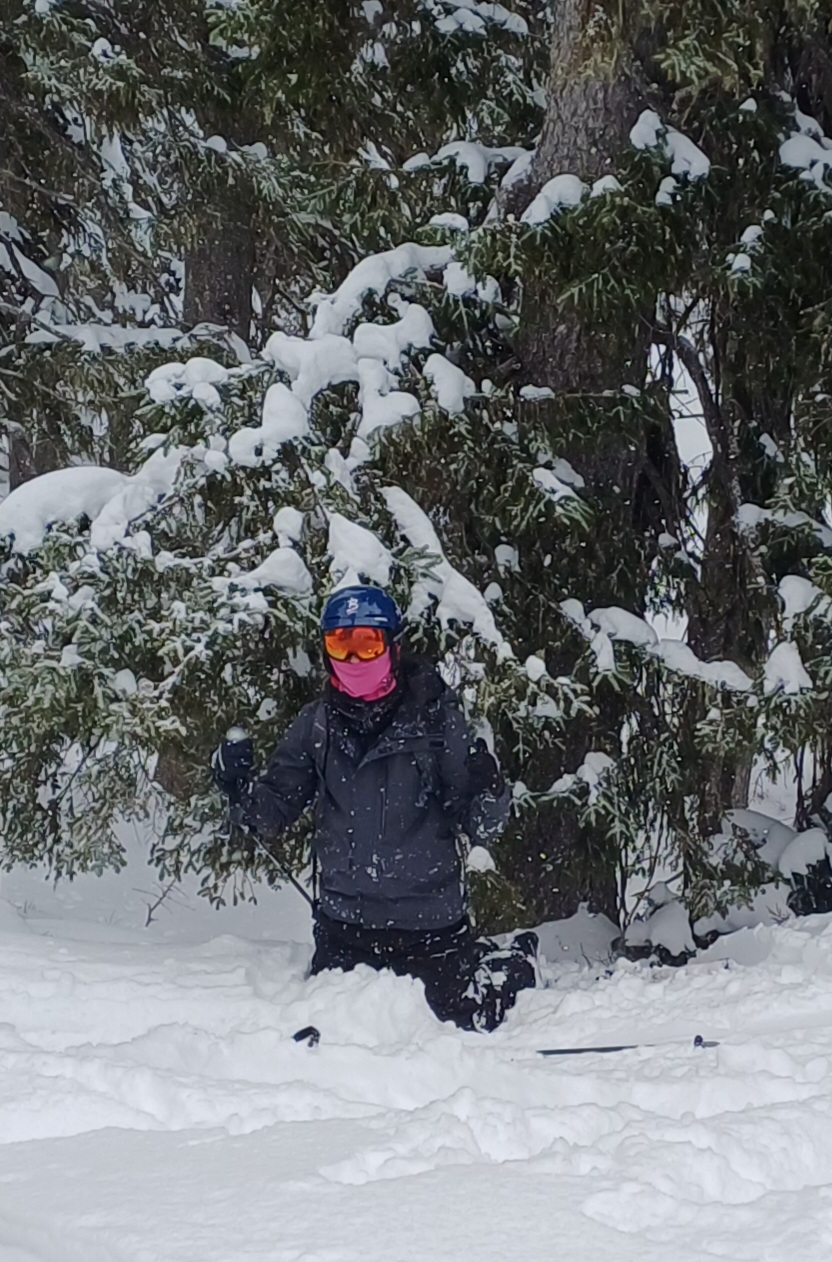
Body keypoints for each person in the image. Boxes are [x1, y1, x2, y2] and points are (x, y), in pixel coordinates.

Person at [212, 584, 537, 1032]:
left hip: (431, 927)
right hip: (346, 928)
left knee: (464, 1026)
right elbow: (275, 809)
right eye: (340, 644)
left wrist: (491, 790)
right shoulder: (316, 723)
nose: (353, 659)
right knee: (335, 1034)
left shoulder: (437, 719)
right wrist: (238, 789)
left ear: (393, 646)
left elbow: (479, 824)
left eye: (367, 644)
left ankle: (516, 961)